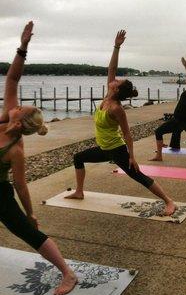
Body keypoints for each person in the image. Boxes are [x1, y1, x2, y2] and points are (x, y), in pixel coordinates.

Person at [0, 22, 77, 295]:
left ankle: (68, 273)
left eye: (20, 107)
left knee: (27, 233)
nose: (15, 105)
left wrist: (31, 213)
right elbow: (12, 80)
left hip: (0, 196)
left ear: (20, 122)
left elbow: (21, 186)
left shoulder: (14, 150)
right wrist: (23, 47)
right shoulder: (6, 115)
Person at [66, 30, 176, 216]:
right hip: (103, 147)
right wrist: (117, 46)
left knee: (137, 176)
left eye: (117, 81)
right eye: (115, 79)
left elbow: (127, 134)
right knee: (78, 158)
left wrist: (132, 156)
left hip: (117, 149)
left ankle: (169, 201)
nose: (114, 79)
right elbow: (111, 69)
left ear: (116, 89)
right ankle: (79, 191)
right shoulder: (108, 95)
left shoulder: (117, 108)